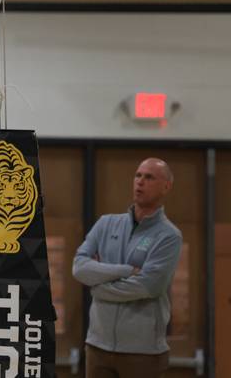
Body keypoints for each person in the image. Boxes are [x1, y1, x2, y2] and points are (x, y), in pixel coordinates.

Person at [72, 158, 183, 378]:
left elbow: (149, 286)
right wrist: (125, 270)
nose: (140, 182)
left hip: (143, 353)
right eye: (138, 175)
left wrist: (98, 286)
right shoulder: (106, 224)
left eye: (149, 177)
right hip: (97, 347)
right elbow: (80, 268)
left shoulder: (169, 236)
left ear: (166, 186)